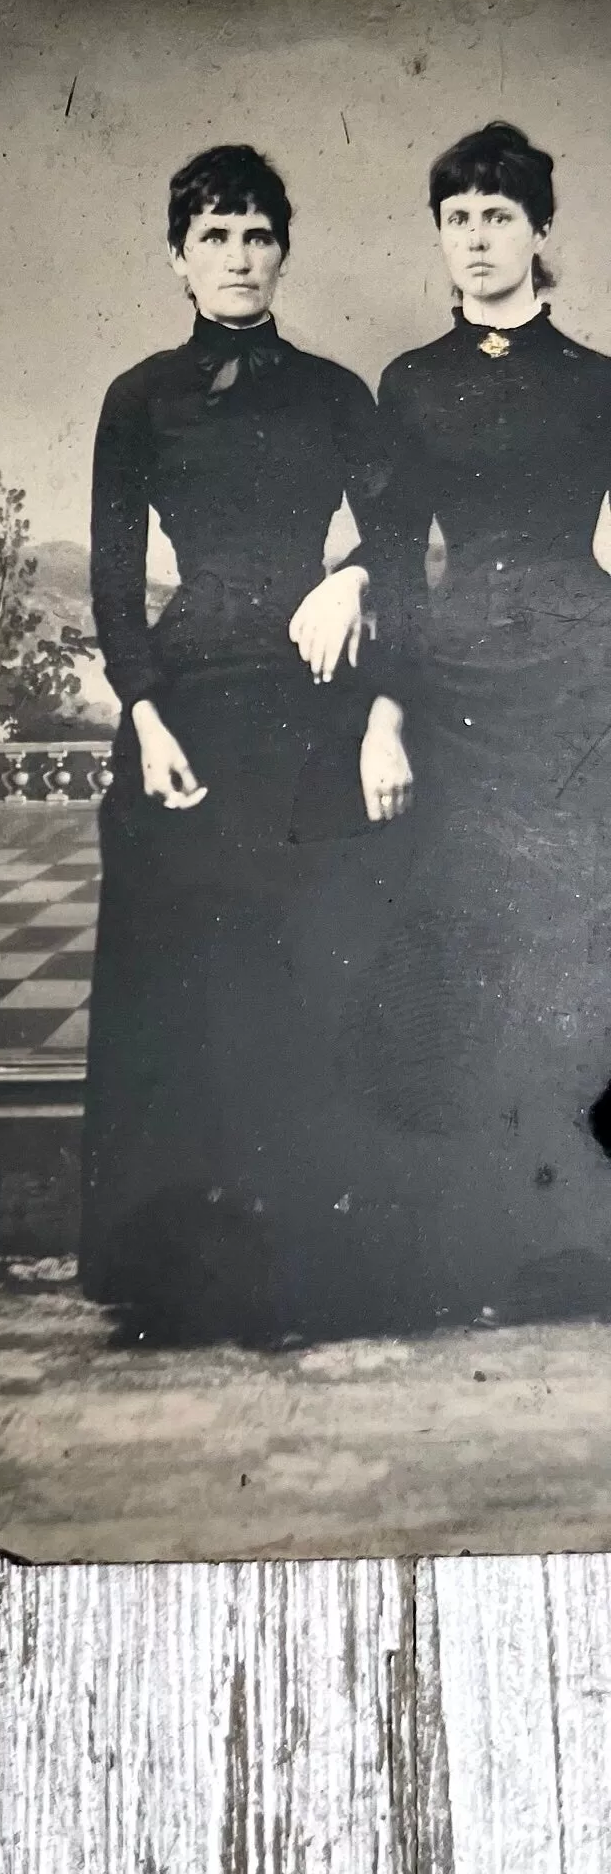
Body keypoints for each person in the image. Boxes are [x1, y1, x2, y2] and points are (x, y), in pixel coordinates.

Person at [79, 143, 414, 1344]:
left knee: (301, 980)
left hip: (308, 713)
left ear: (282, 250)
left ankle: (300, 1278)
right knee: (185, 992)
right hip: (183, 716)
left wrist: (358, 575)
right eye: (213, 234)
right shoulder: (137, 396)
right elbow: (115, 575)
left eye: (256, 234)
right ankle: (178, 1280)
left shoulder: (333, 392)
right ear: (177, 255)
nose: (237, 255)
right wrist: (141, 709)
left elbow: (399, 528)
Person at [351, 121, 611, 1327]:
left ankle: (579, 1242)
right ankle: (477, 1246)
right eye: (456, 216)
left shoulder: (598, 380)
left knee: (577, 941)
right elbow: (396, 565)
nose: (475, 236)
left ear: (539, 232)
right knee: (465, 939)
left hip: (580, 677)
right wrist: (385, 715)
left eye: (497, 215)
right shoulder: (408, 383)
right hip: (457, 685)